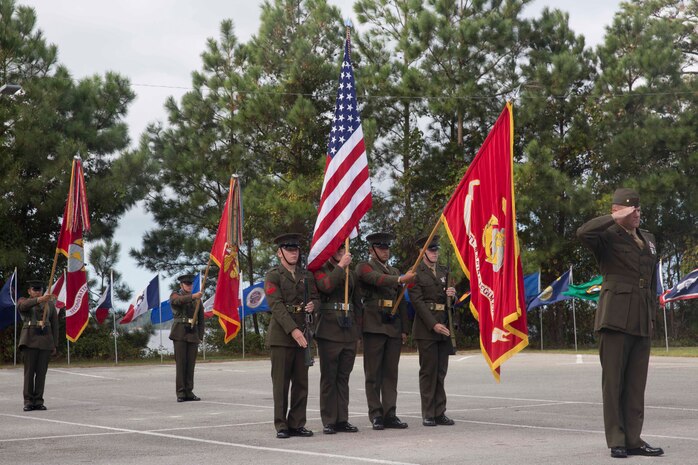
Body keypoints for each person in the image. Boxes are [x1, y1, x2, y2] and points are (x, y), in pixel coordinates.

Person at [577, 187, 664, 458]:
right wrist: (614, 217)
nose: (637, 213)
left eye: (638, 209)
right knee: (614, 382)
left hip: (641, 315)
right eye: (631, 209)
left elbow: (649, 281)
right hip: (614, 316)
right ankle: (616, 439)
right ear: (618, 211)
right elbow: (582, 233)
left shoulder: (647, 238)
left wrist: (651, 315)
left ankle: (634, 439)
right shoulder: (606, 236)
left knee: (636, 383)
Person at [356, 232, 415, 430]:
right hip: (373, 324)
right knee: (373, 373)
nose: (385, 251)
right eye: (381, 247)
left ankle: (390, 413)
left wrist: (404, 329)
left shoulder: (394, 270)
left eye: (386, 247)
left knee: (391, 374)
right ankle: (376, 414)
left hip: (393, 324)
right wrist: (399, 279)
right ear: (371, 250)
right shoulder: (364, 267)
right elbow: (376, 279)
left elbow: (401, 303)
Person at [265, 233, 319, 439]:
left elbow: (316, 298)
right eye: (289, 250)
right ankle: (281, 424)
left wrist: (314, 306)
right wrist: (293, 331)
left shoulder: (307, 276)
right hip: (282, 336)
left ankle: (297, 422)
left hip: (304, 331)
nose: (293, 253)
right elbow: (276, 306)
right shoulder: (274, 275)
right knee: (281, 383)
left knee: (301, 383)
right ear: (280, 253)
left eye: (296, 250)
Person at [313, 243, 363, 434]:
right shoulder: (320, 269)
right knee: (329, 377)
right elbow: (326, 287)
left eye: (343, 248)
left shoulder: (352, 273)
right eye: (337, 248)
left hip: (348, 329)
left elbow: (357, 302)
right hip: (329, 329)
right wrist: (341, 266)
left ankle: (342, 418)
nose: (341, 251)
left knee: (343, 377)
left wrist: (358, 331)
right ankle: (329, 420)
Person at [409, 235, 457, 427]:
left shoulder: (444, 271)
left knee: (440, 372)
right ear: (422, 252)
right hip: (426, 328)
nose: (435, 253)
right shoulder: (415, 273)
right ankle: (428, 413)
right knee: (428, 372)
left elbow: (449, 303)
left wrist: (452, 297)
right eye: (431, 250)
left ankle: (440, 412)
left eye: (436, 250)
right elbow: (417, 302)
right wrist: (433, 324)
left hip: (443, 325)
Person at [17, 280, 58, 412]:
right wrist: (39, 299)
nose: (37, 292)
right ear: (29, 291)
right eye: (34, 290)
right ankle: (28, 401)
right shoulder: (24, 301)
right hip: (29, 340)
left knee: (41, 374)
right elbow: (22, 307)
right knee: (29, 374)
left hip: (45, 341)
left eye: (39, 290)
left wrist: (54, 344)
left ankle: (38, 400)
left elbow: (55, 325)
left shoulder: (50, 305)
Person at [169, 273, 204, 402]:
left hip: (192, 333)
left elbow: (201, 319)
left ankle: (189, 391)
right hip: (179, 333)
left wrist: (200, 335)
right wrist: (193, 296)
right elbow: (177, 301)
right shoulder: (176, 295)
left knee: (190, 365)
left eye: (190, 284)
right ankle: (181, 392)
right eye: (186, 284)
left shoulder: (197, 300)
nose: (189, 286)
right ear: (181, 285)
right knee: (181, 364)